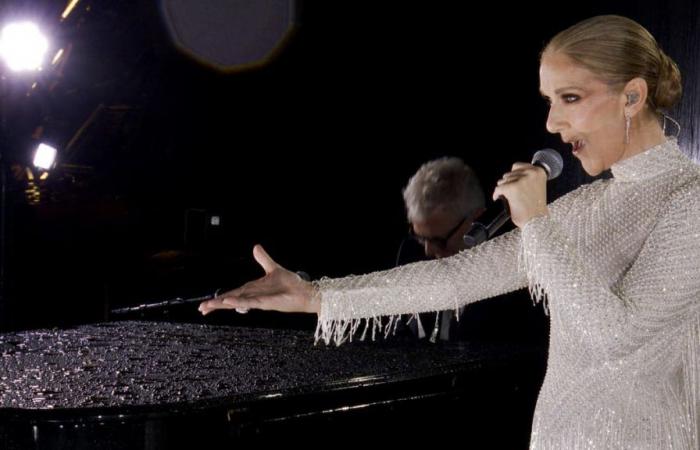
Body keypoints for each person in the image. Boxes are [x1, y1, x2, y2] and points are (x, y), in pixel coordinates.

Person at [200, 15, 699, 449]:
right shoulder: (588, 204)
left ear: (632, 95)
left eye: (570, 97)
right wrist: (316, 296)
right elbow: (457, 279)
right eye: (549, 100)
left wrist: (538, 224)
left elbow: (621, 336)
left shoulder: (690, 198)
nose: (551, 122)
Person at [400, 156, 485, 341]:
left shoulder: (508, 269)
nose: (428, 251)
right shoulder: (410, 251)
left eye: (439, 240)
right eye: (421, 237)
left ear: (474, 219)